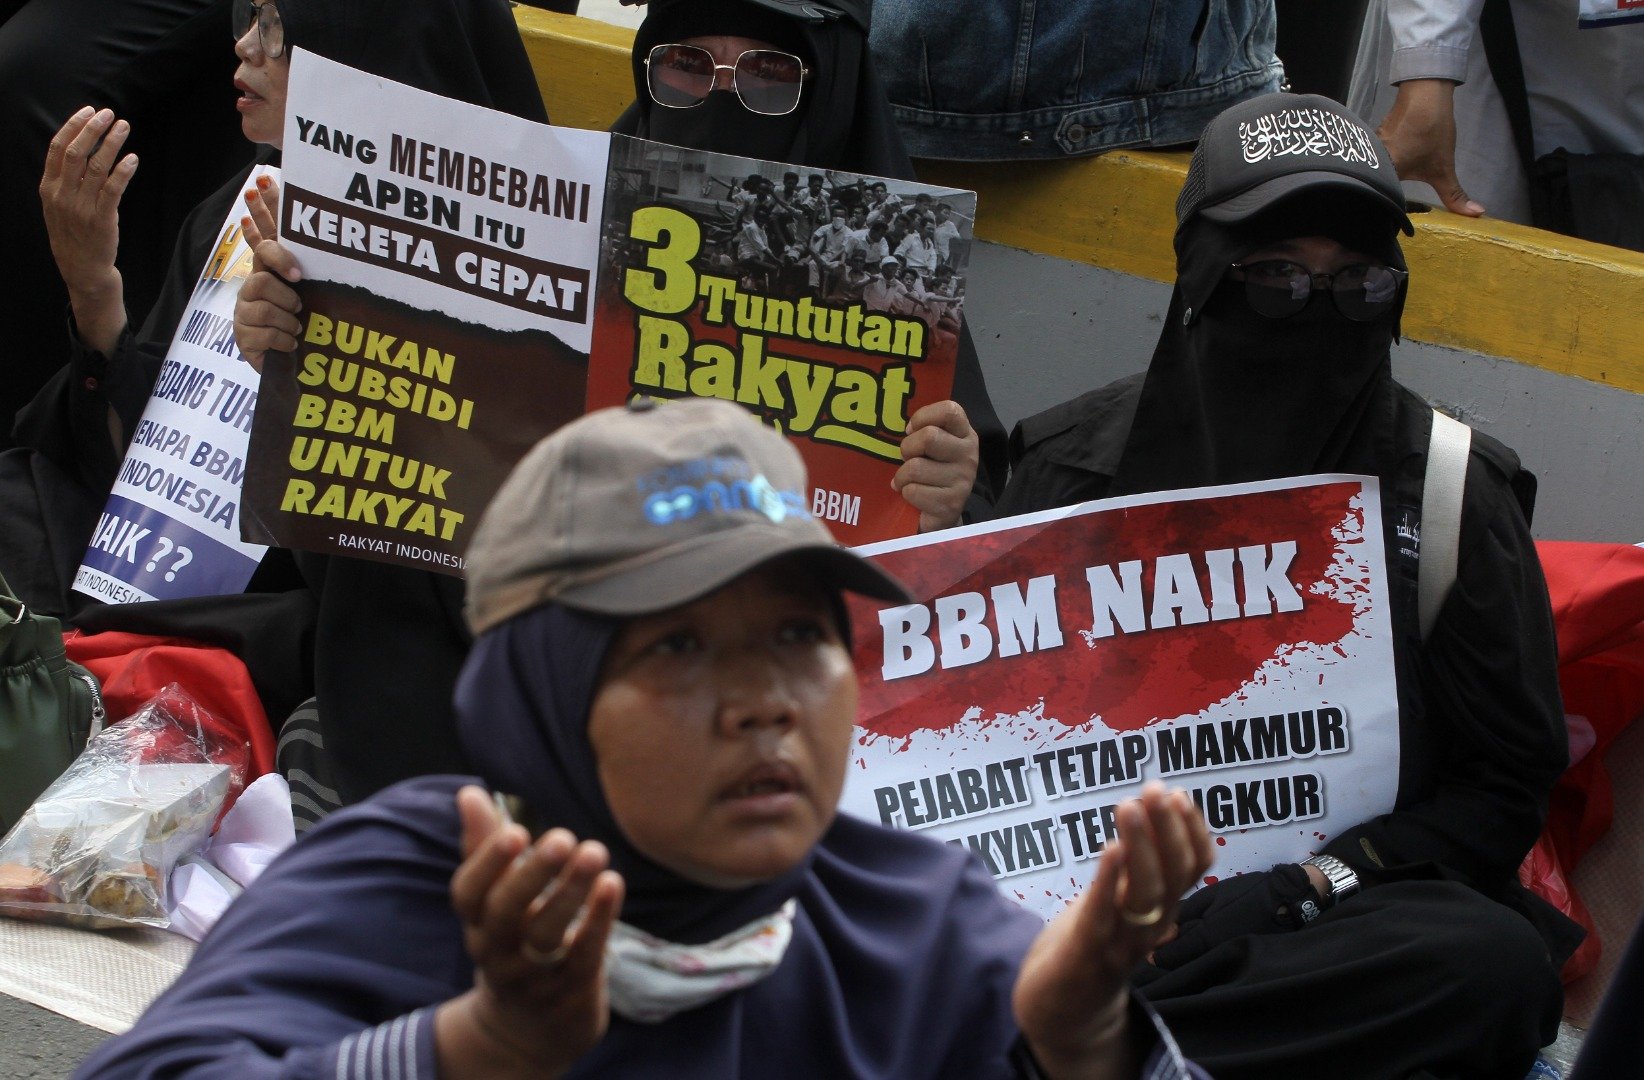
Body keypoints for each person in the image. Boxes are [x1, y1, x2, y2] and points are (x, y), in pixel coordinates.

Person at [75, 397, 1215, 1080]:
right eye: (676, 649)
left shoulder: (914, 923)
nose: (764, 701)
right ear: (543, 695)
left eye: (799, 636)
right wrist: (481, 1050)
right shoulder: (417, 883)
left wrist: (1088, 1041)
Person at [994, 92, 1581, 1079]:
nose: (1319, 307)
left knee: (1492, 965)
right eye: (1276, 278)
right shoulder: (1073, 472)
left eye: (1359, 283)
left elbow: (1503, 787)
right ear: (1200, 279)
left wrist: (1310, 881)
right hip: (1097, 911)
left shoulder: (1445, 492)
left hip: (1331, 919)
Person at [608, 0, 1010, 519]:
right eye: (687, 65)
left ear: (832, 95)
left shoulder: (889, 284)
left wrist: (944, 504)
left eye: (768, 71)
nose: (722, 98)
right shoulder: (578, 216)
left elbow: (971, 539)